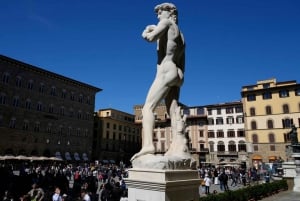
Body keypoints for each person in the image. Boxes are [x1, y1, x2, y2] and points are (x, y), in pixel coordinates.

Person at [131, 2, 185, 161]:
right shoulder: (181, 35)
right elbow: (182, 61)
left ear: (169, 13)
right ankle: (178, 144)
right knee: (173, 111)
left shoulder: (166, 22)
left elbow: (150, 38)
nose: (158, 15)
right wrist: (179, 77)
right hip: (177, 73)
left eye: (160, 12)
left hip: (166, 71)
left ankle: (148, 145)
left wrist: (146, 30)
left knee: (147, 107)